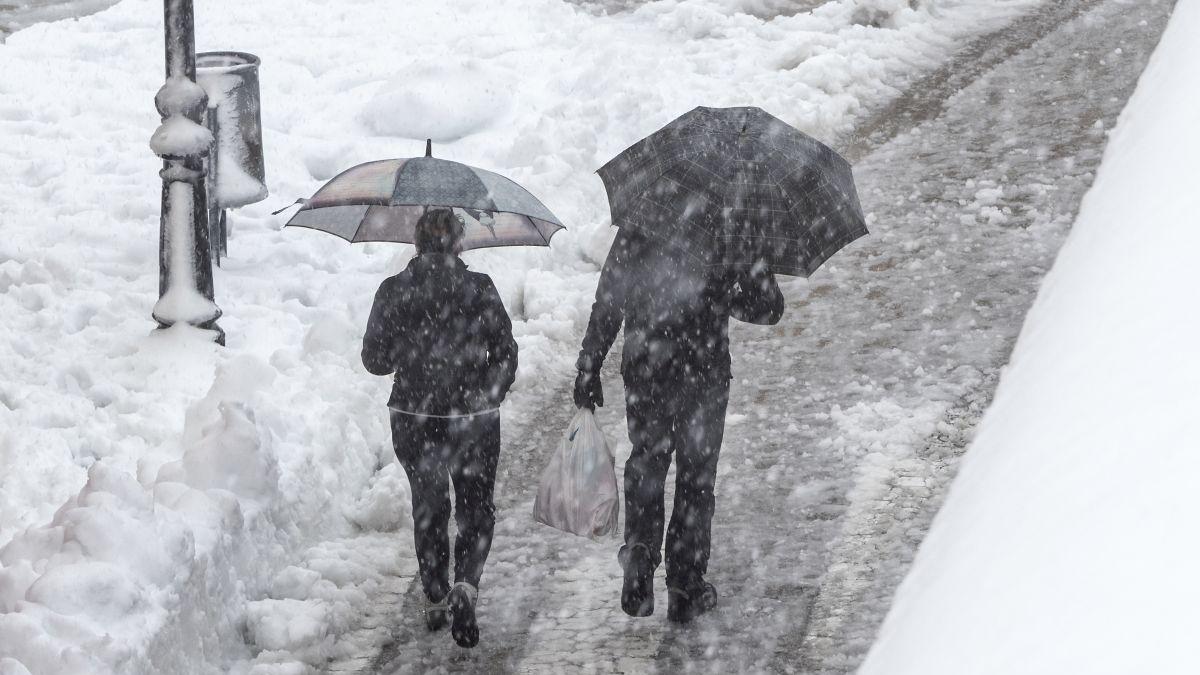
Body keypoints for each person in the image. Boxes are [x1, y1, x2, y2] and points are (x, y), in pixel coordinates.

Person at [574, 227, 784, 623]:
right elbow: (769, 308)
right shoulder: (733, 223)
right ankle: (685, 583)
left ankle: (640, 549)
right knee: (696, 477)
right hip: (703, 374)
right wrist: (727, 295)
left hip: (646, 366)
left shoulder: (644, 217)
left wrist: (590, 363)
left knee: (647, 461)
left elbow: (609, 299)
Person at [362, 207, 517, 648]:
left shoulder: (394, 291)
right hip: (473, 421)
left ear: (417, 243)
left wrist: (403, 348)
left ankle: (434, 595)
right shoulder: (480, 288)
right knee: (475, 508)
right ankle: (465, 586)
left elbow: (374, 360)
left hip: (415, 418)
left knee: (430, 506)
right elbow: (506, 352)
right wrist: (488, 395)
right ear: (459, 242)